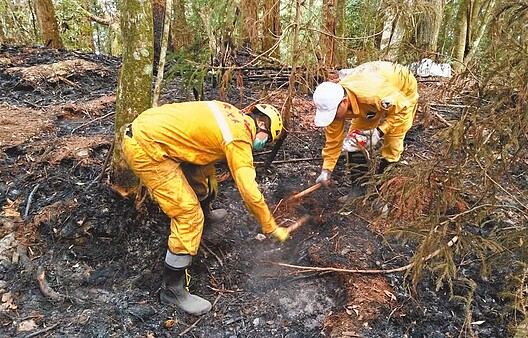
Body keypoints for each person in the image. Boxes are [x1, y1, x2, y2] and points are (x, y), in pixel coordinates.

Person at [121, 100, 289, 316]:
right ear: (264, 129)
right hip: (147, 149)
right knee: (188, 215)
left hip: (153, 130)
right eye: (267, 140)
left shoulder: (230, 112)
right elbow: (249, 192)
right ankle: (172, 290)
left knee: (205, 175)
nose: (263, 145)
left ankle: (206, 214)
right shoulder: (239, 138)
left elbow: (199, 146)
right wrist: (270, 227)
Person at [312, 61, 419, 202]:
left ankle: (381, 197)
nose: (333, 118)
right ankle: (359, 190)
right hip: (373, 96)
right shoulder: (334, 105)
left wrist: (379, 132)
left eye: (333, 113)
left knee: (392, 145)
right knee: (354, 141)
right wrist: (326, 170)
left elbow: (402, 109)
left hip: (402, 90)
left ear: (344, 102)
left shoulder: (372, 94)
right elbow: (333, 140)